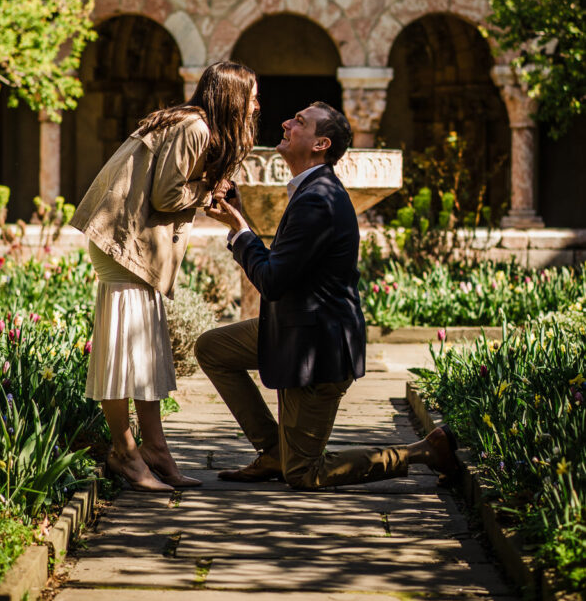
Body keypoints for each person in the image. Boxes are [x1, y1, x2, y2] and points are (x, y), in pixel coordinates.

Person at [196, 101, 458, 489]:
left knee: (305, 474)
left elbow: (272, 280)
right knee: (213, 348)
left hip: (317, 349)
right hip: (292, 329)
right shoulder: (311, 191)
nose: (285, 122)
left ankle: (423, 451)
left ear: (321, 143)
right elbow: (283, 271)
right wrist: (241, 225)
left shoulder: (318, 198)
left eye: (298, 121)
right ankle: (273, 450)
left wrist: (240, 231)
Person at [71, 61, 258, 492]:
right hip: (125, 243)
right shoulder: (195, 127)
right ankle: (124, 452)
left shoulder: (191, 124)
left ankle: (155, 449)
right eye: (250, 95)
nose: (256, 104)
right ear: (231, 96)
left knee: (146, 351)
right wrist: (209, 191)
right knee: (122, 355)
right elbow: (167, 194)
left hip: (137, 245)